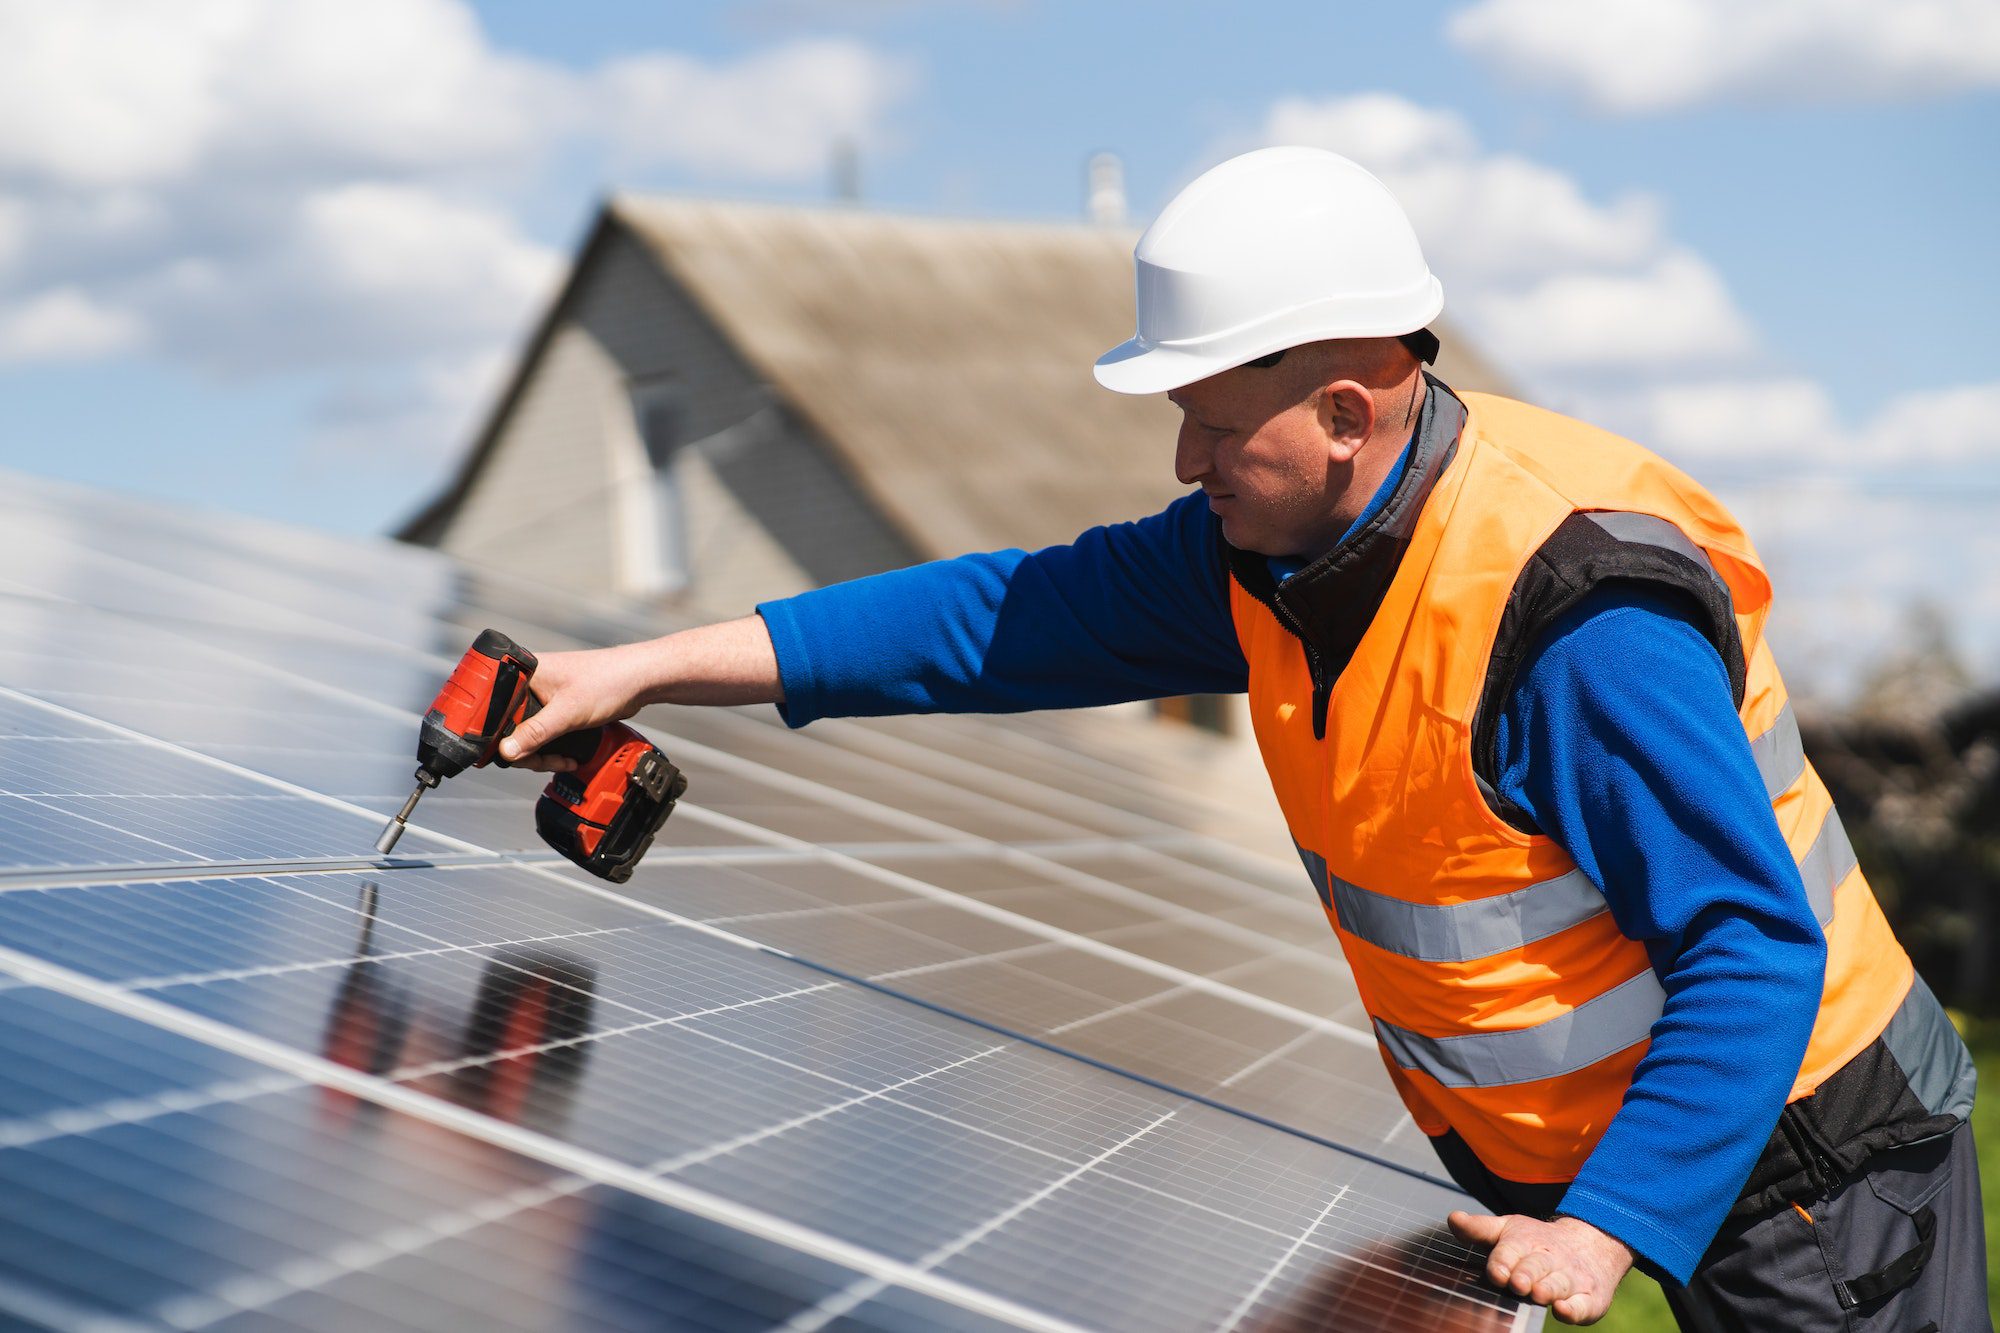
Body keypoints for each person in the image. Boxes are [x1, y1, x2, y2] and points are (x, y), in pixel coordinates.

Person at [498, 147, 1988, 1329]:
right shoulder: (1269, 554)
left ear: (1345, 411)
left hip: (1816, 1169)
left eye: (1214, 424)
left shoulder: (1576, 618)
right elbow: (991, 619)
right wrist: (649, 664)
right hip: (1625, 1155)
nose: (1183, 460)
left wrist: (1607, 1223)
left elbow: (1753, 945)